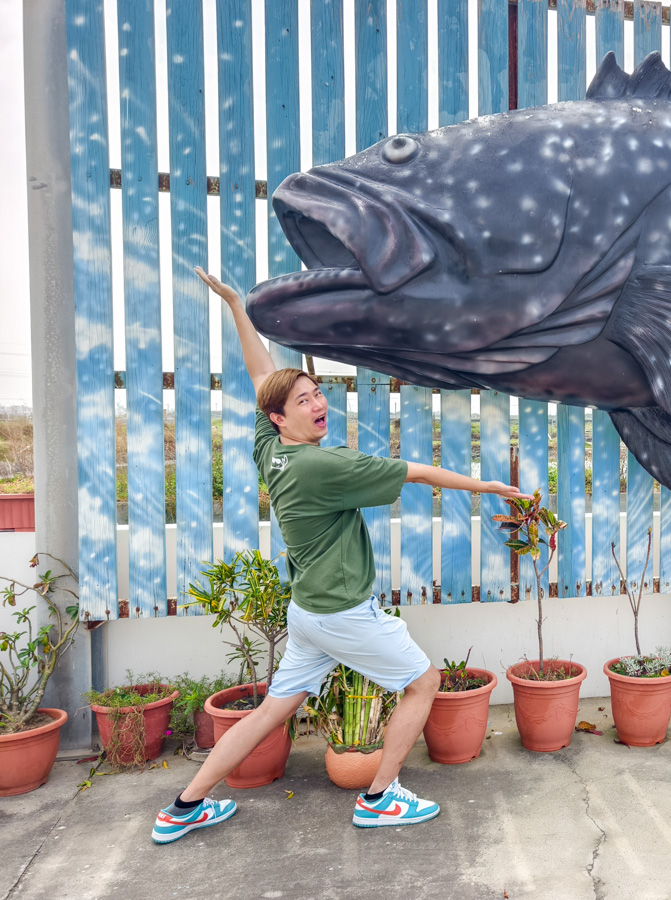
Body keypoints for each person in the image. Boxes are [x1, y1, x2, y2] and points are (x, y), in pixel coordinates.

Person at [152, 268, 529, 844]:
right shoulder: (324, 468)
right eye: (304, 400)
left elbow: (262, 376)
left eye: (317, 392)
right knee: (424, 682)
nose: (318, 403)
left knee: (268, 714)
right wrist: (493, 490)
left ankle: (183, 806)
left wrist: (235, 306)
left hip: (309, 613)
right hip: (341, 613)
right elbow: (419, 472)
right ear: (283, 417)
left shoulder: (271, 449)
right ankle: (379, 797)